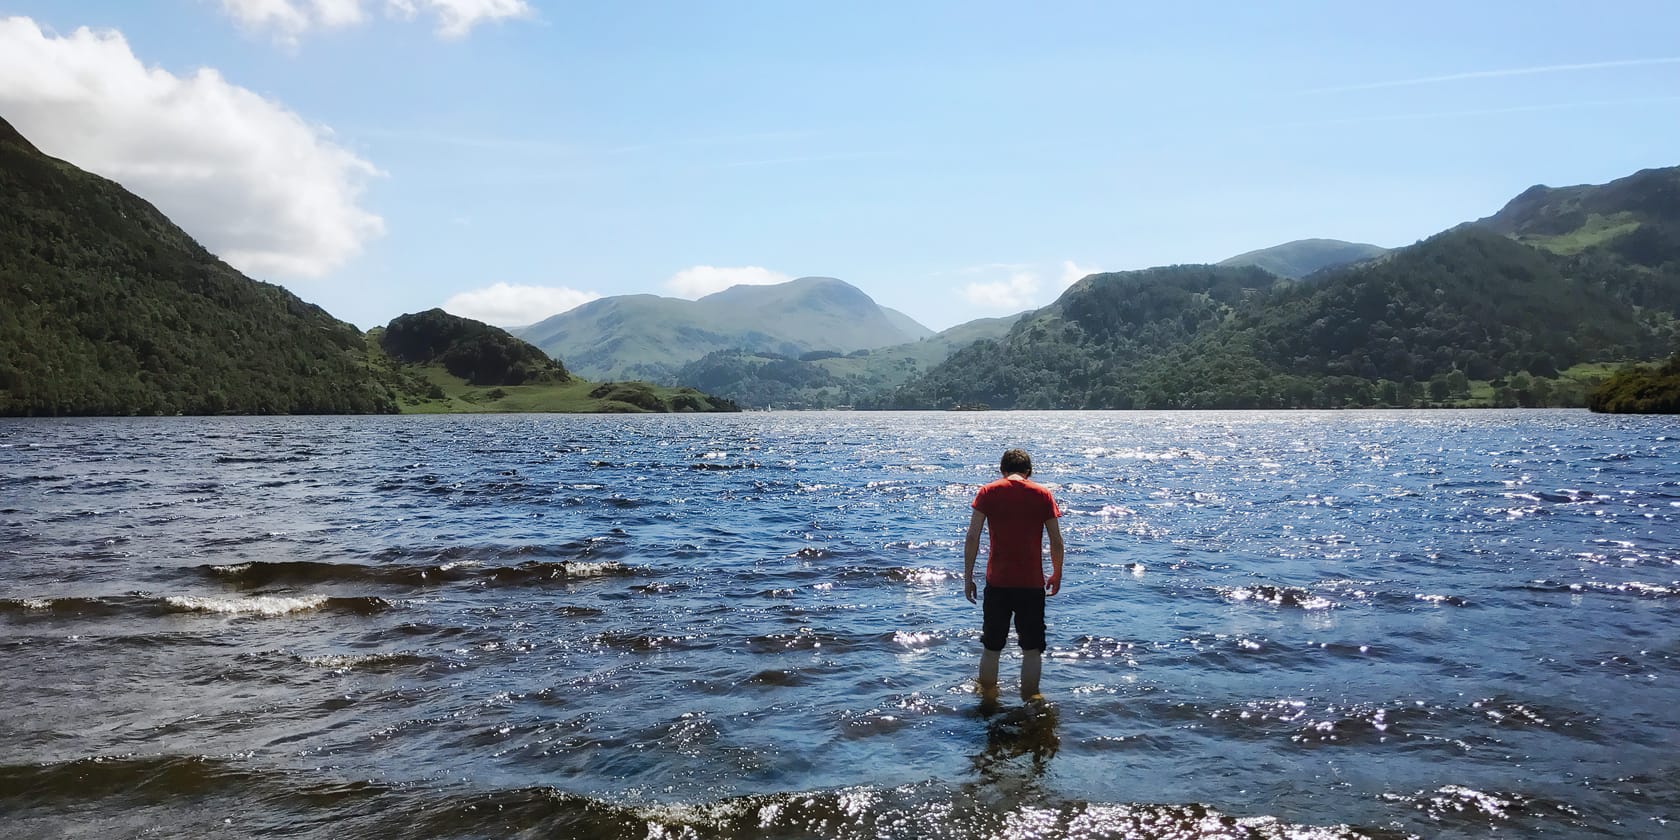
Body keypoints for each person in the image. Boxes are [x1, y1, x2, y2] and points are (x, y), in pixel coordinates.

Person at [963, 448, 1064, 701]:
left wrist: (968, 577)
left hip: (997, 582)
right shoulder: (1042, 494)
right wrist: (1057, 573)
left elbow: (973, 536)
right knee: (1032, 649)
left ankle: (987, 700)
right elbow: (1056, 541)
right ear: (1028, 471)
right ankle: (1031, 699)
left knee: (991, 648)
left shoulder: (988, 492)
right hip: (1030, 584)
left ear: (1002, 470)